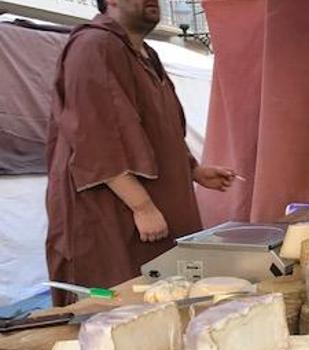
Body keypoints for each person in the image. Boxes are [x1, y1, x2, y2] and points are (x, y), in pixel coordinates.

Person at [45, 0, 235, 306]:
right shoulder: (94, 45)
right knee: (119, 309)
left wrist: (193, 169)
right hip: (116, 215)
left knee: (170, 305)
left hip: (159, 214)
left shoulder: (148, 55)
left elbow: (159, 130)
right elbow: (95, 135)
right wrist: (142, 205)